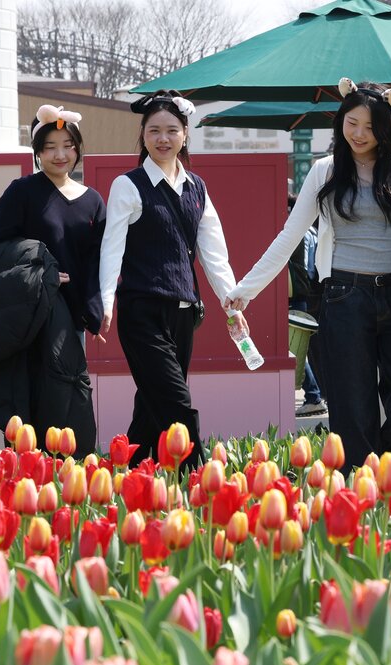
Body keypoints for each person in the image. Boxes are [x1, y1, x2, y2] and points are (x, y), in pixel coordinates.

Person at [228, 78, 391, 468]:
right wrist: (246, 289)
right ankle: (362, 491)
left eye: (371, 127)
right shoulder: (325, 171)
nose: (359, 134)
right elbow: (290, 235)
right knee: (352, 412)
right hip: (343, 297)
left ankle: (384, 466)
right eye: (351, 122)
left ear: (388, 128)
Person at [98, 90, 236, 469]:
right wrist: (106, 301)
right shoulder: (128, 185)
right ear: (143, 135)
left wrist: (232, 301)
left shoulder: (197, 188)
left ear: (185, 134)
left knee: (151, 403)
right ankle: (200, 479)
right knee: (176, 401)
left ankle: (130, 471)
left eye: (171, 130)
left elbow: (213, 253)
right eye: (154, 130)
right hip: (141, 312)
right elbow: (112, 248)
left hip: (184, 314)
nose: (163, 138)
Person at [0, 104, 102, 456]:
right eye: (50, 147)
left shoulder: (92, 200)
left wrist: (98, 309)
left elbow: (99, 260)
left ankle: (66, 472)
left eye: (68, 145)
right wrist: (43, 271)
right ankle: (24, 475)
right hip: (28, 315)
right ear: (37, 152)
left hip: (70, 320)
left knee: (65, 393)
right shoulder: (21, 192)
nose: (60, 154)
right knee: (28, 393)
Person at [286, 194, 326, 416]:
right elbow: (312, 266)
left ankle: (313, 395)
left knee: (294, 349)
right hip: (306, 295)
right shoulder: (310, 232)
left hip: (292, 296)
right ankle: (315, 394)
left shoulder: (290, 232)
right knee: (300, 346)